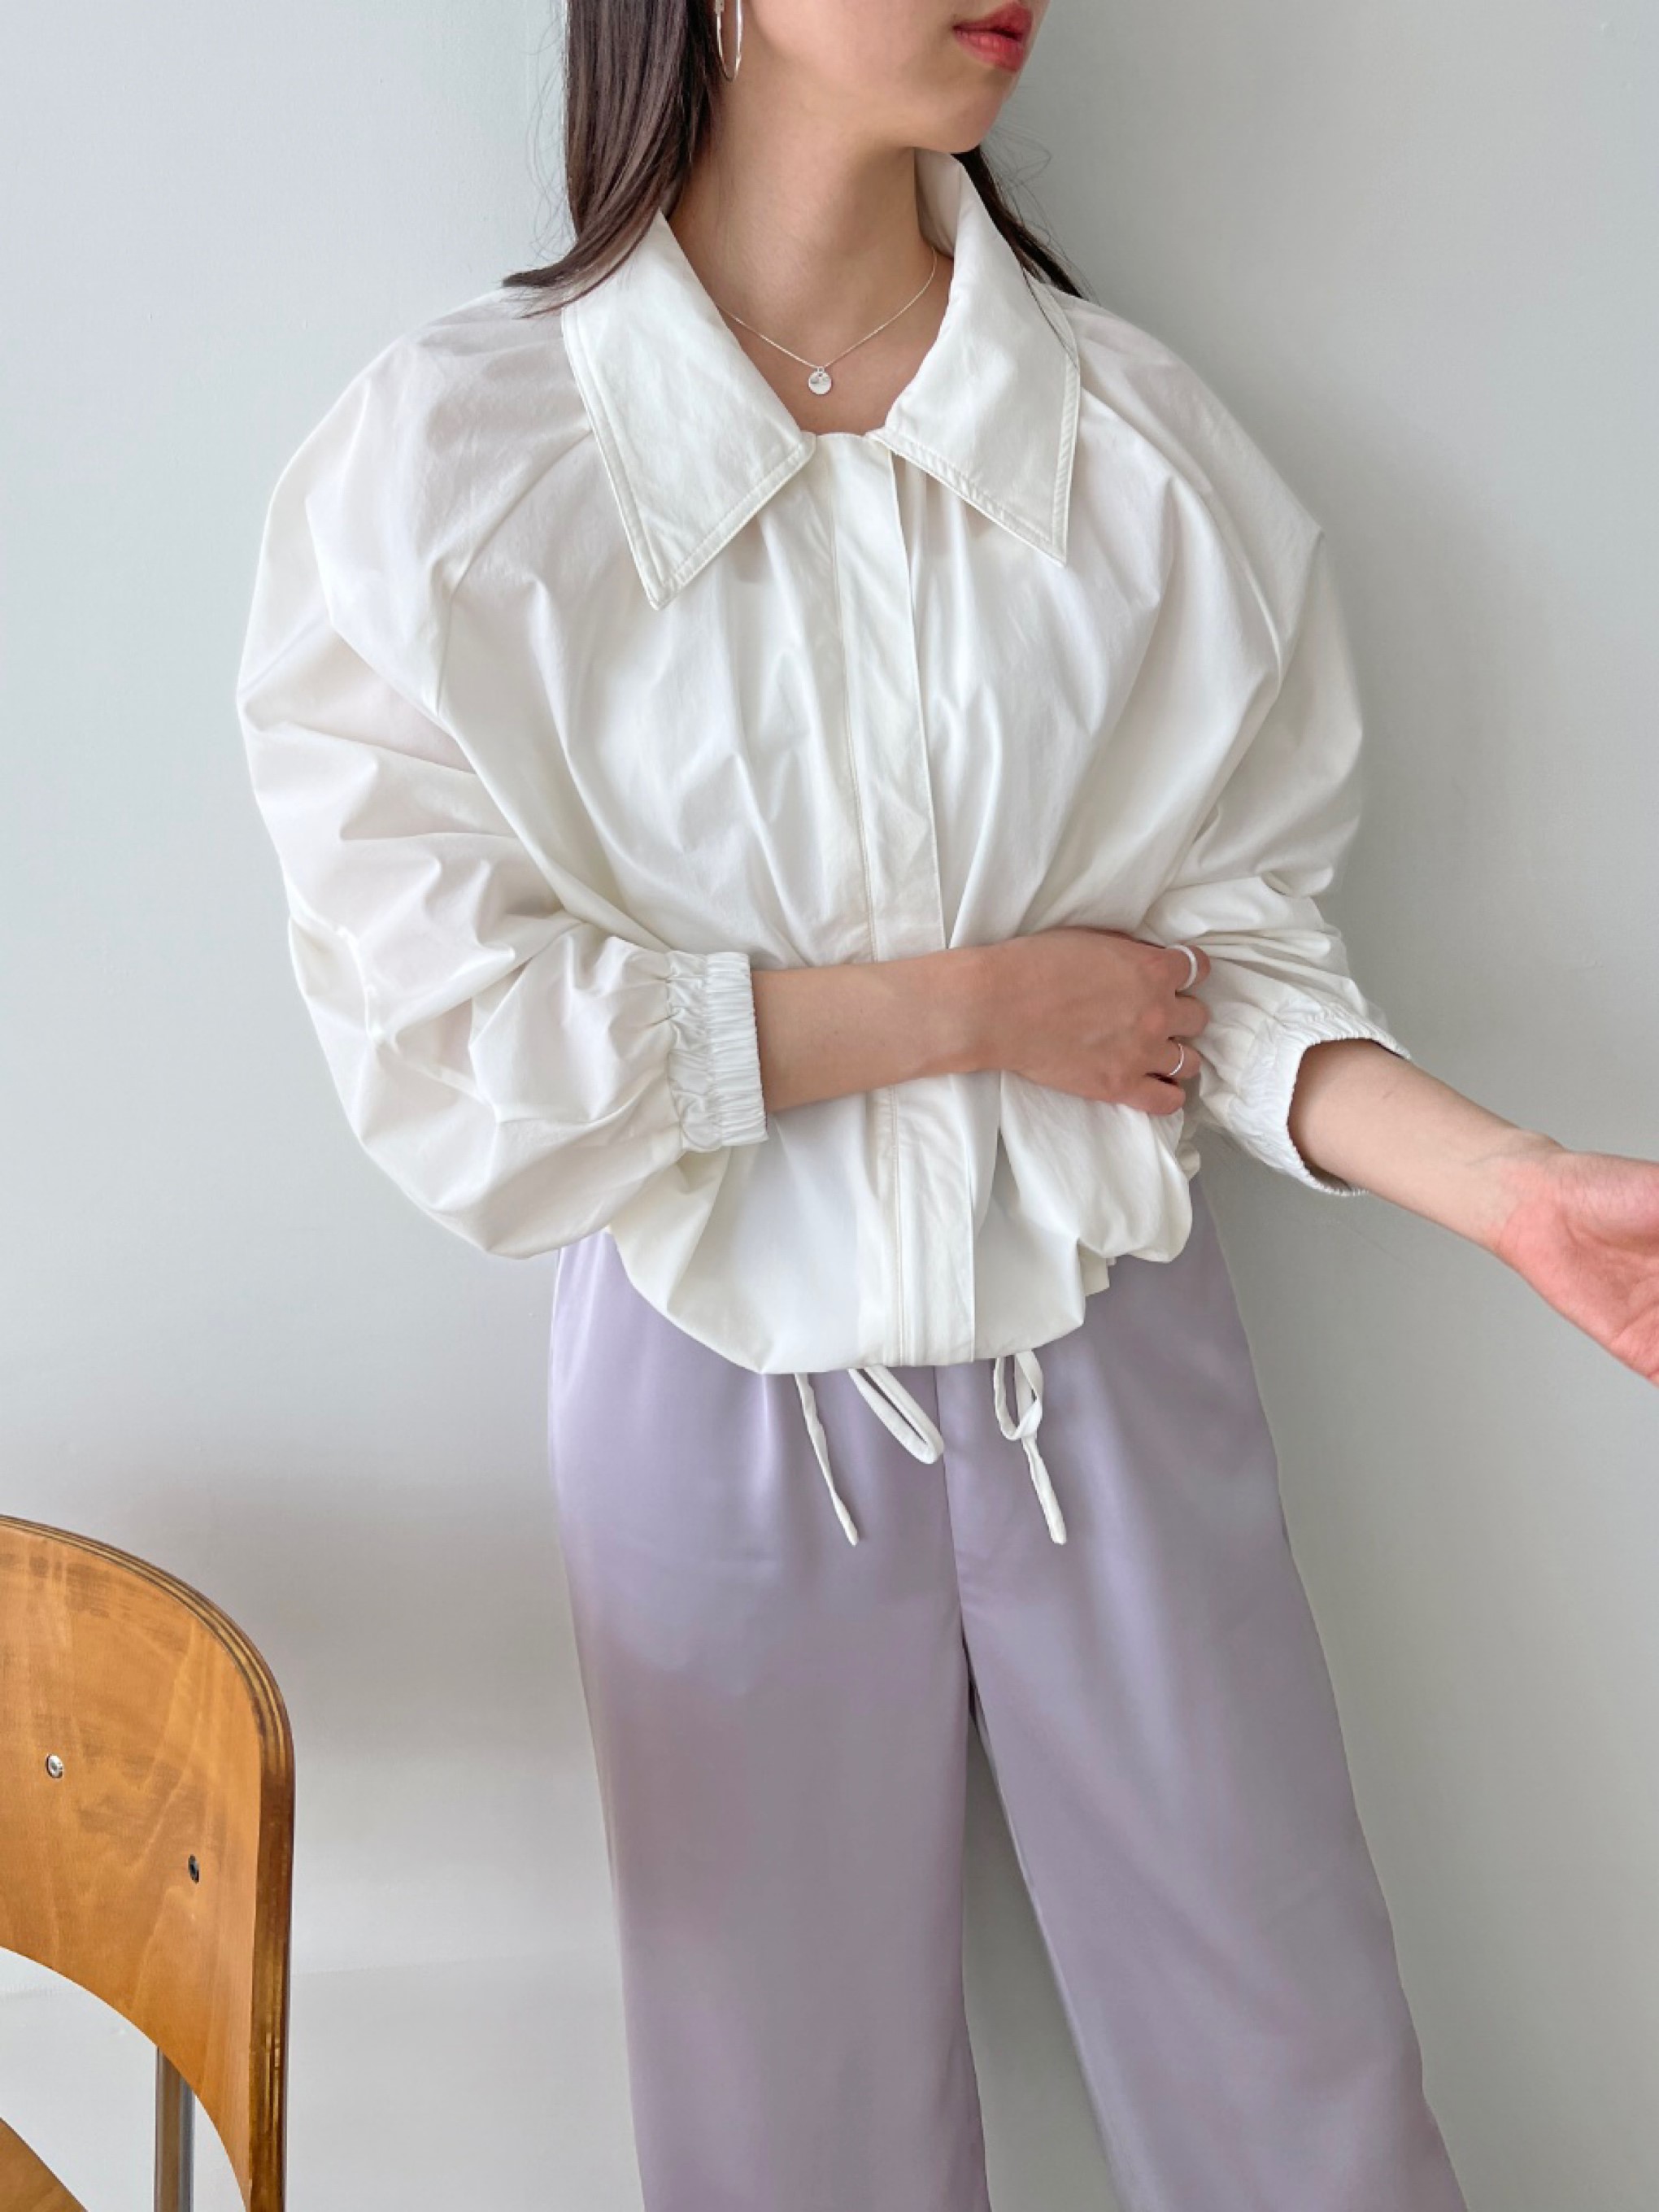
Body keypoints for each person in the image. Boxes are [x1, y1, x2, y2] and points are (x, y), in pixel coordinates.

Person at [234, 2, 1659, 2206]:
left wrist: (1515, 1188)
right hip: (712, 1377)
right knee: (782, 2131)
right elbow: (451, 1041)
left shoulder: (1140, 450)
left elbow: (1224, 979)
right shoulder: (459, 464)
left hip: (1113, 1361)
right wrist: (967, 1010)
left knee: (1298, 2085)